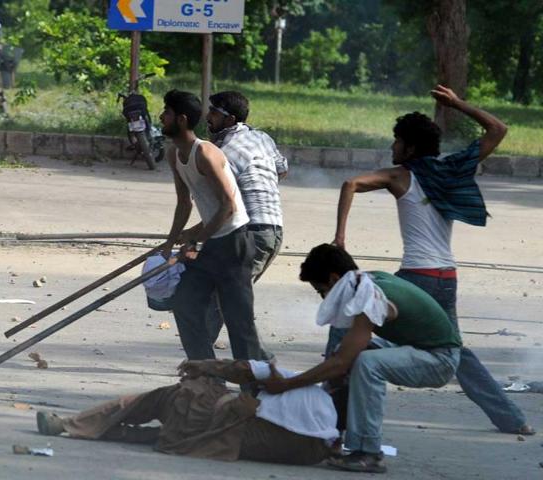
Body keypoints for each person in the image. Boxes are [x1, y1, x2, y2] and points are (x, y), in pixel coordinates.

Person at [331, 84, 534, 436]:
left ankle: (332, 417)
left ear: (409, 147)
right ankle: (512, 419)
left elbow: (350, 183)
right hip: (446, 277)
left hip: (415, 278)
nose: (392, 147)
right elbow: (498, 129)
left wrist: (339, 238)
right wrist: (457, 105)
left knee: (345, 326)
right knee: (452, 350)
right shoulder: (451, 170)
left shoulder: (400, 176)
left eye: (397, 141)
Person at [261, 243, 462, 473]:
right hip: (420, 348)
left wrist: (286, 385)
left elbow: (339, 365)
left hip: (441, 359)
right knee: (347, 352)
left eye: (320, 290)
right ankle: (332, 435)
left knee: (367, 364)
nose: (322, 298)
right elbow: (342, 358)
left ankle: (369, 454)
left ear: (334, 279)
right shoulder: (365, 280)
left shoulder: (369, 296)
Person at [35, 358, 341, 465]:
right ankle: (108, 431)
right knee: (176, 432)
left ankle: (68, 424)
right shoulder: (323, 441)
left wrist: (206, 366)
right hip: (225, 442)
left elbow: (247, 369)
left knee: (170, 397)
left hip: (225, 422)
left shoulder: (311, 392)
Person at [160, 89, 262, 362]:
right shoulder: (174, 154)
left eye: (166, 113)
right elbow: (184, 203)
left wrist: (196, 240)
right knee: (184, 303)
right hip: (211, 242)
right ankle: (206, 374)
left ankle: (257, 387)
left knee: (240, 325)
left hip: (234, 243)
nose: (161, 117)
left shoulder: (205, 152)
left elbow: (228, 205)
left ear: (181, 119)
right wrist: (170, 242)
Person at [204, 91, 287, 355]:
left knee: (224, 298)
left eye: (214, 113)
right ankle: (204, 354)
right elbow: (282, 169)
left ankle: (204, 356)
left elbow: (221, 196)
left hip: (251, 232)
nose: (208, 118)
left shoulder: (226, 150)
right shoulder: (262, 137)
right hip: (273, 230)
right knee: (229, 297)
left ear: (229, 120)